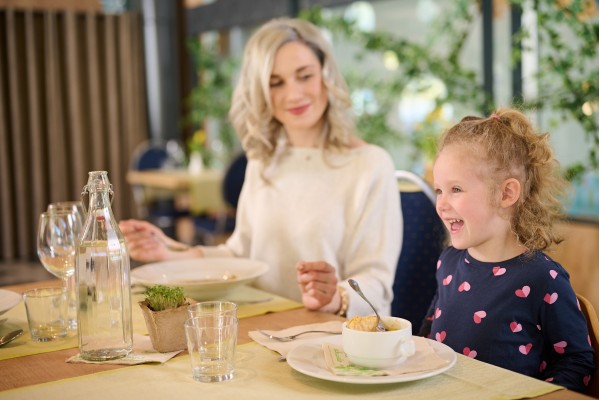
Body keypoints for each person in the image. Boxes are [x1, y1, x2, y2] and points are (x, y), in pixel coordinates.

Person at [120, 18, 402, 318]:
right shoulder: (264, 161)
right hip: (263, 328)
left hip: (333, 338)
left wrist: (334, 298)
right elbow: (240, 256)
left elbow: (377, 282)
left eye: (304, 76)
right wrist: (170, 252)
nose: (293, 94)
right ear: (261, 93)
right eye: (275, 82)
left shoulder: (370, 164)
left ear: (326, 76)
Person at [419, 108, 594, 392]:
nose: (442, 204)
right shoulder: (447, 262)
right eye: (439, 190)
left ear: (506, 194)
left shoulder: (542, 277)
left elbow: (577, 363)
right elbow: (428, 333)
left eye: (456, 189)